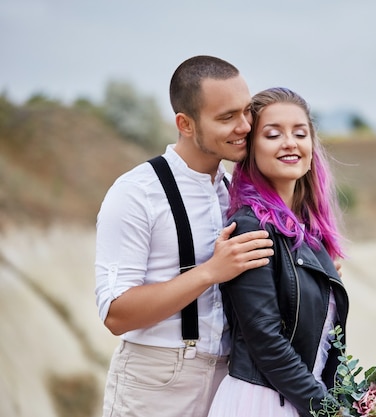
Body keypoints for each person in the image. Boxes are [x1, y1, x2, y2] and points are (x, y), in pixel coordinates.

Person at [94, 55, 275, 417]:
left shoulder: (238, 192)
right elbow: (116, 313)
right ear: (185, 124)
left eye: (246, 111)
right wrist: (210, 271)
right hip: (156, 380)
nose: (244, 126)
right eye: (226, 117)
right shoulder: (136, 193)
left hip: (231, 380)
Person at [207, 87, 350, 417]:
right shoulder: (251, 228)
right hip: (261, 402)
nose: (290, 143)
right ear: (250, 148)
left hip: (297, 398)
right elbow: (266, 342)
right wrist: (328, 409)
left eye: (300, 133)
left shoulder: (308, 233)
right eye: (273, 135)